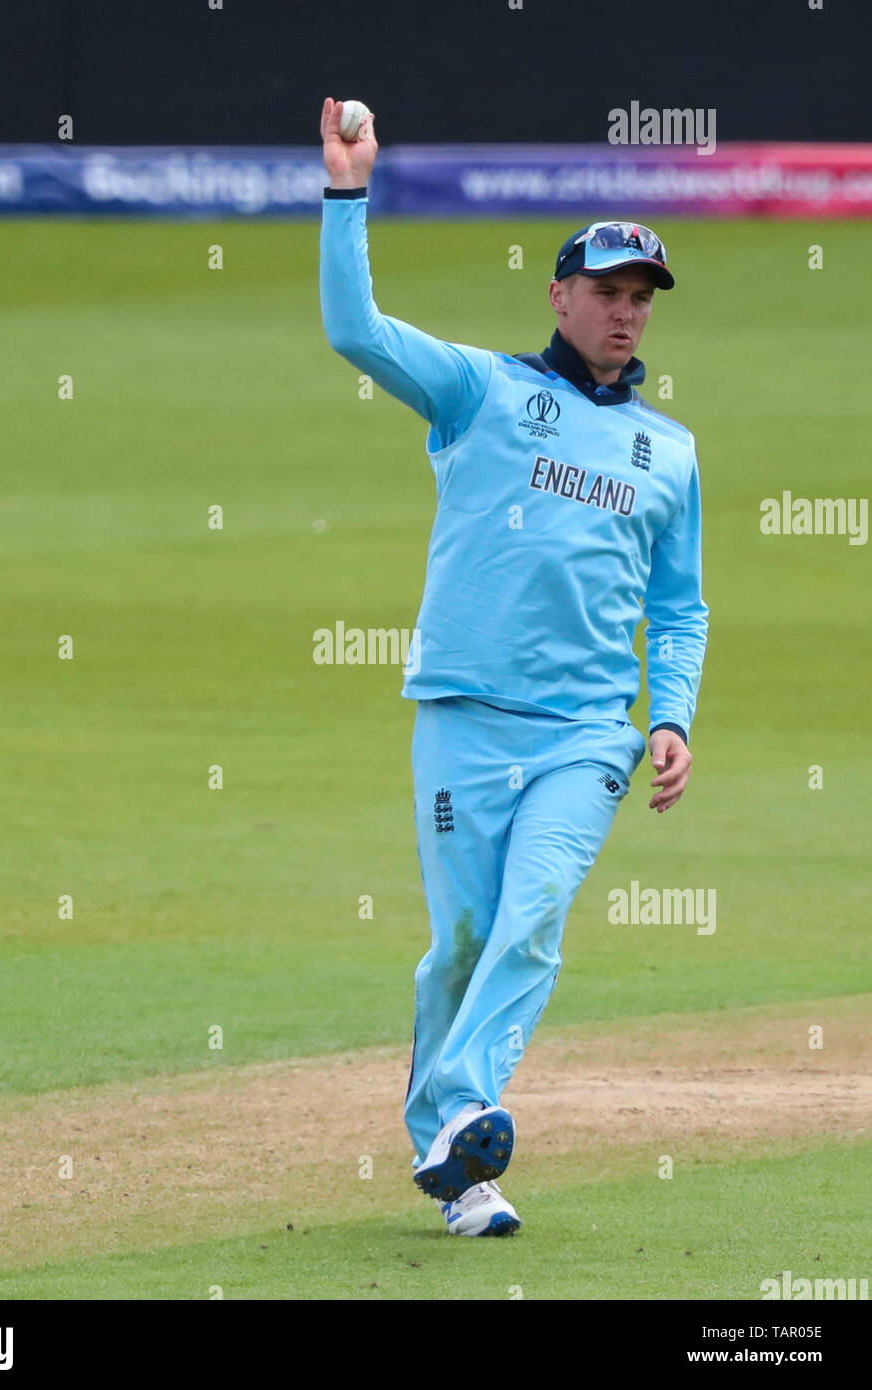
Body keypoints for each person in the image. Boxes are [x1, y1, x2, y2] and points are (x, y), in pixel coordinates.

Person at [318, 98, 708, 1237]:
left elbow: (677, 604)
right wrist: (349, 193)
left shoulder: (670, 453)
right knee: (463, 942)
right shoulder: (479, 391)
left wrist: (669, 713)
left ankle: (463, 1109)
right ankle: (461, 1166)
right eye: (605, 294)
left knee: (531, 917)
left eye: (639, 300)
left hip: (588, 729)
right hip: (462, 716)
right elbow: (355, 330)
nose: (624, 315)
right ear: (557, 297)